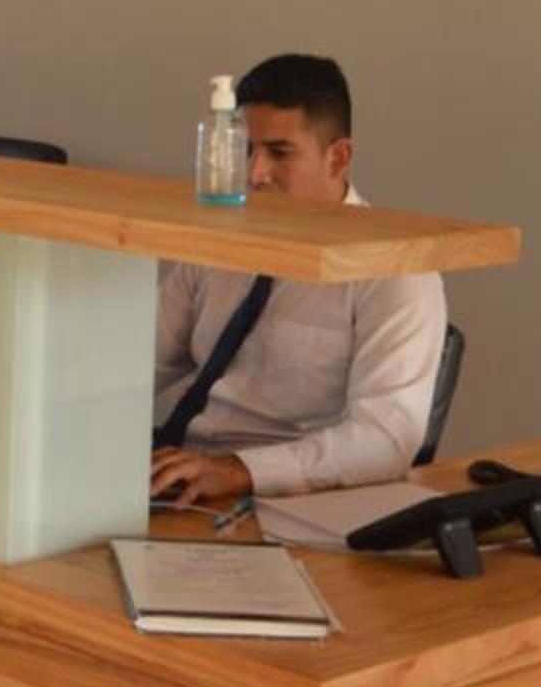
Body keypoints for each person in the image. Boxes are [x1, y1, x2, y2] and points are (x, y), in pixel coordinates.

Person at [148, 53, 446, 506]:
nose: (254, 174)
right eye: (246, 150)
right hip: (183, 472)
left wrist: (241, 471)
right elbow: (135, 361)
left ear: (338, 157)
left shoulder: (394, 271)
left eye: (279, 153)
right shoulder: (220, 244)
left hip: (289, 498)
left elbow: (385, 440)